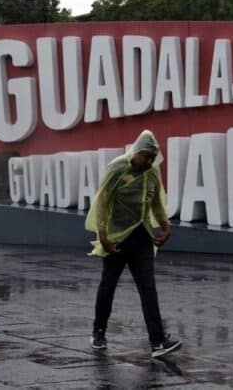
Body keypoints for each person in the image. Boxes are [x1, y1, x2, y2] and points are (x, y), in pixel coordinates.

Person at [85, 130, 181, 358]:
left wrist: (165, 227)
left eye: (152, 158)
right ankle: (98, 332)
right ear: (136, 152)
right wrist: (103, 235)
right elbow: (102, 202)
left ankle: (158, 342)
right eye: (146, 156)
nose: (149, 162)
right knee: (108, 285)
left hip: (141, 236)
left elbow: (156, 202)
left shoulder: (151, 173)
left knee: (148, 287)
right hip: (116, 236)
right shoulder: (117, 168)